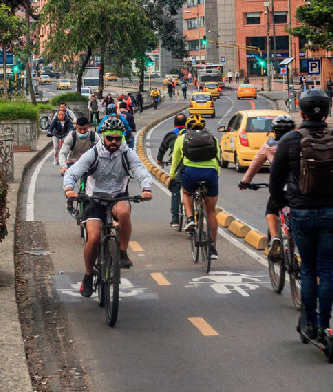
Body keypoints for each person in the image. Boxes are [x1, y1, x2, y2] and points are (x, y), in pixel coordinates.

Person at [269, 89, 333, 344]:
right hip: (332, 211)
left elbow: (275, 181)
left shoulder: (290, 140)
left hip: (302, 212)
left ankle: (310, 324)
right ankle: (325, 326)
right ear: (327, 112)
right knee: (326, 269)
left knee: (307, 268)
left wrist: (284, 202)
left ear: (301, 111)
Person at [64, 116, 153, 297]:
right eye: (110, 138)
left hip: (117, 196)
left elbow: (141, 171)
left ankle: (122, 252)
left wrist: (146, 188)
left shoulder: (127, 154)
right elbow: (73, 172)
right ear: (103, 137)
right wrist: (68, 188)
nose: (114, 142)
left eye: (117, 139)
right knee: (94, 237)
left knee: (124, 212)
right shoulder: (93, 154)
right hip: (94, 199)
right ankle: (88, 275)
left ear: (122, 138)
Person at [169, 114, 222, 259]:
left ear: (187, 127)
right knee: (210, 212)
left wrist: (172, 176)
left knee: (187, 193)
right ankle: (212, 248)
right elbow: (218, 158)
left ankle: (190, 218)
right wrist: (216, 175)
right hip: (210, 173)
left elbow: (175, 159)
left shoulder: (182, 138)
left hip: (191, 173)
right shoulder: (212, 138)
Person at [238, 115, 296, 241]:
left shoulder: (269, 146)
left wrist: (245, 182)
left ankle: (274, 238)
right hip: (298, 186)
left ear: (274, 132)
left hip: (279, 186)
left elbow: (255, 164)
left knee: (271, 210)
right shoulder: (299, 143)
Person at [157, 113, 188, 227]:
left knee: (175, 189)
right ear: (186, 123)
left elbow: (162, 149)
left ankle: (175, 219)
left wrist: (160, 160)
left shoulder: (171, 135)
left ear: (174, 124)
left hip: (180, 165)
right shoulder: (190, 134)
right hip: (193, 166)